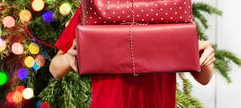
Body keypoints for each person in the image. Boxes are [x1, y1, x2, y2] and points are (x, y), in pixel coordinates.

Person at [49, 7, 215, 108]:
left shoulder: (171, 4)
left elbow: (204, 77)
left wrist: (206, 60)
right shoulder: (93, 4)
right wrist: (70, 57)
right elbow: (55, 69)